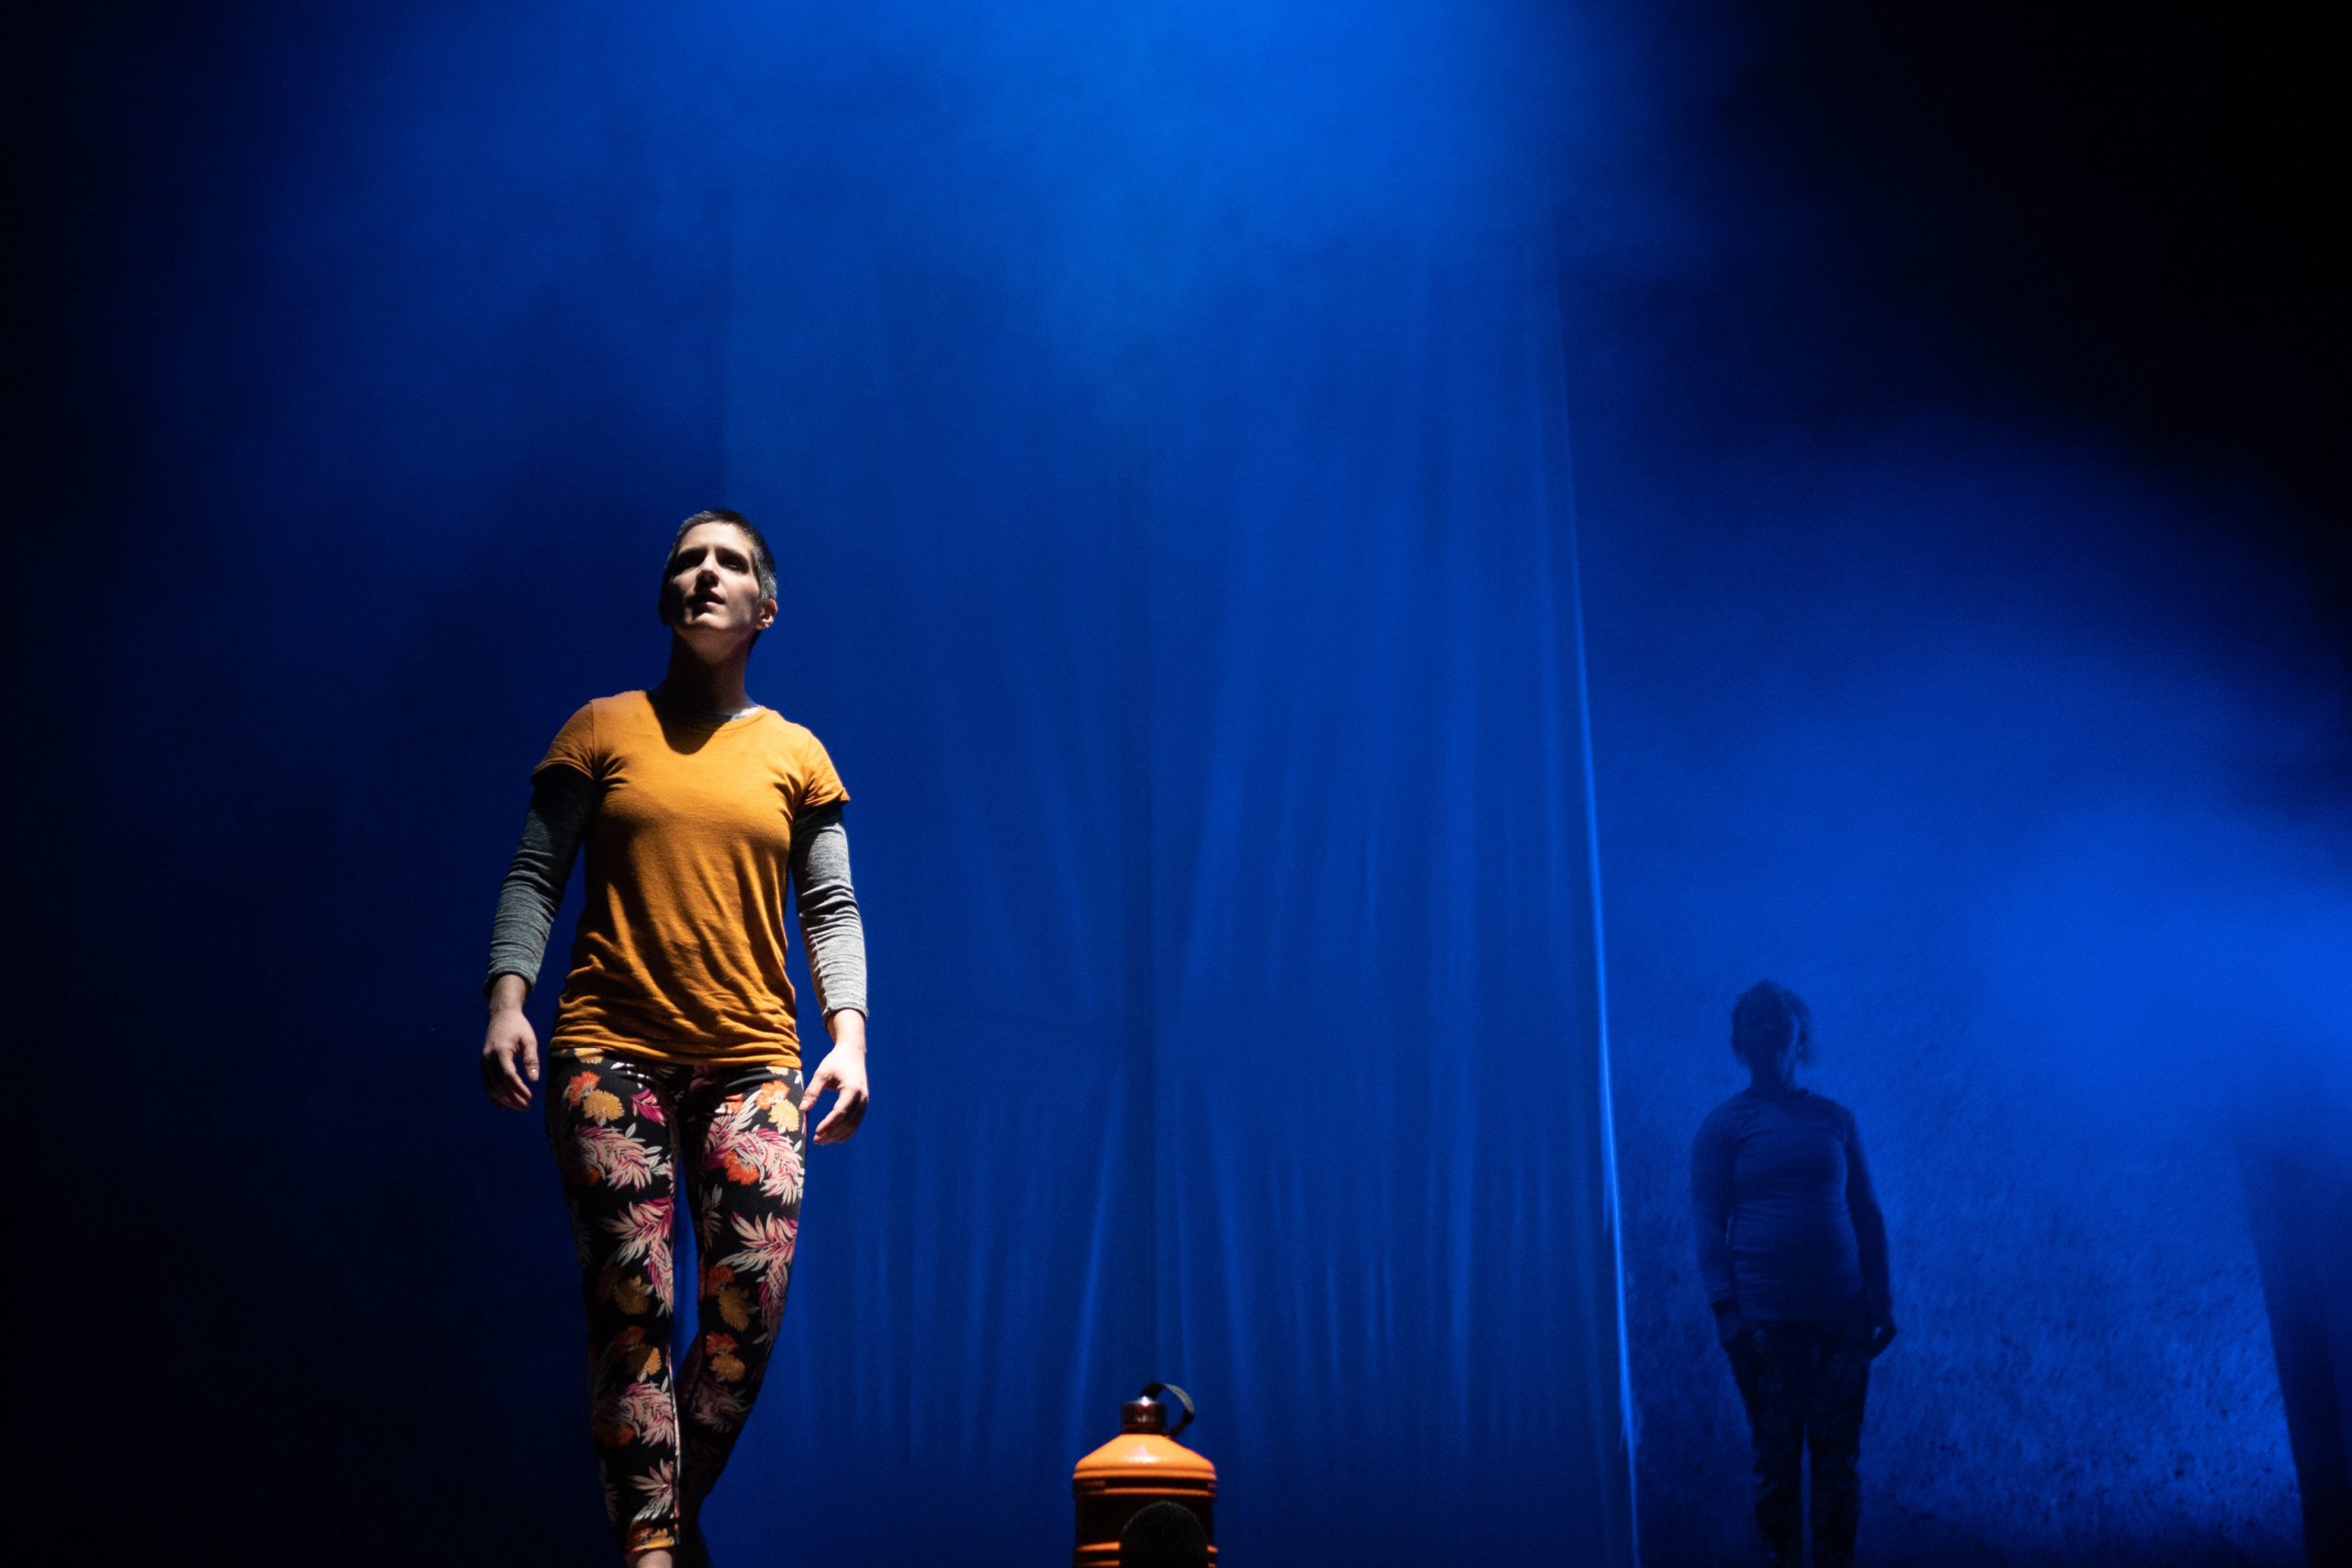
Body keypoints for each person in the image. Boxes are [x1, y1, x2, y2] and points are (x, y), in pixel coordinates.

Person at [479, 509, 871, 1566]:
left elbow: (829, 909)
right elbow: (534, 875)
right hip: (610, 1056)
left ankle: (660, 1516)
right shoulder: (601, 728)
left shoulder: (795, 752)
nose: (705, 574)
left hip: (753, 1064)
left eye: (730, 563)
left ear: (765, 609)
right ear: (666, 596)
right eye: (688, 561)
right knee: (634, 1308)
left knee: (748, 1314)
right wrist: (507, 1000)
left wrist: (849, 1037)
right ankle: (652, 1556)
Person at [1691, 982, 1895, 1568]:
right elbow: (1707, 1221)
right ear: (1738, 1040)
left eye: (1779, 1017)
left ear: (1800, 1032)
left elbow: (1866, 1211)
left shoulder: (1835, 1120)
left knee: (1838, 1467)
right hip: (1766, 1326)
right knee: (1776, 1467)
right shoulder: (1724, 1126)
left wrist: (1882, 1297)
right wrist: (1725, 1310)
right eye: (1755, 1019)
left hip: (1841, 1318)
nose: (1769, 1027)